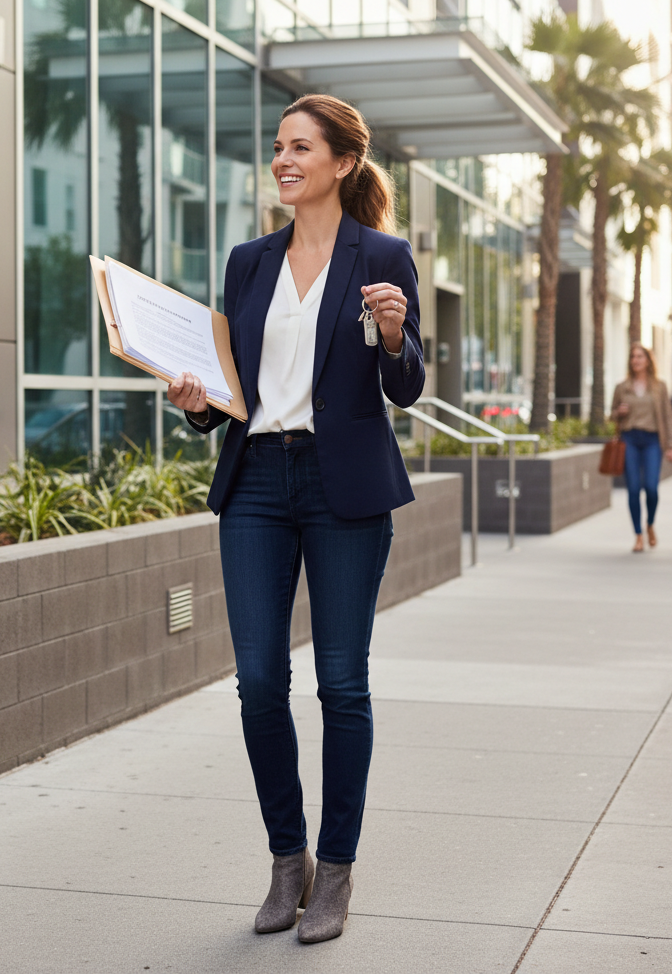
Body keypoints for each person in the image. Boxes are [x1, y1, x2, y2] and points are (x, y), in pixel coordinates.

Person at [166, 94, 424, 943]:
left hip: (343, 486)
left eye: (301, 147)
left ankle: (338, 871)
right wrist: (195, 401)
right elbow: (228, 394)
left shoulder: (382, 254)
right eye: (278, 147)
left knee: (342, 683)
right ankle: (289, 864)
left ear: (343, 163)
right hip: (256, 485)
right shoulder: (248, 262)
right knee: (256, 683)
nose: (283, 159)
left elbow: (405, 385)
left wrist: (392, 336)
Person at [610, 344, 672, 552]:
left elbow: (668, 416)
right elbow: (611, 414)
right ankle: (638, 534)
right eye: (633, 357)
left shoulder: (659, 386)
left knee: (651, 488)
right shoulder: (622, 387)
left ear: (648, 360)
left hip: (652, 440)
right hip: (629, 439)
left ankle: (650, 525)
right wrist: (618, 412)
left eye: (640, 356)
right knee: (632, 489)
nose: (636, 360)